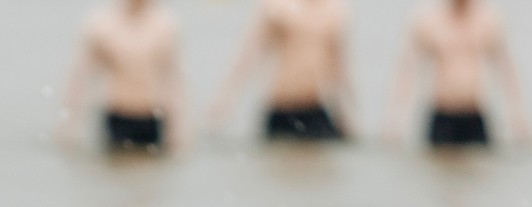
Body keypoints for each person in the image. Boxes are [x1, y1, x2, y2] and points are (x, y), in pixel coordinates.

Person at [204, 0, 358, 142]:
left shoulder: (335, 11)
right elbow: (249, 56)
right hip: (281, 109)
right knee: (278, 164)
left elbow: (339, 68)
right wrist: (224, 101)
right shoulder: (276, 7)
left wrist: (348, 115)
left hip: (316, 107)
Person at [385, 0, 530, 149]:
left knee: (481, 167)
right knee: (438, 168)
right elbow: (407, 71)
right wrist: (395, 120)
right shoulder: (428, 21)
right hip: (442, 117)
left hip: (475, 115)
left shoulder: (489, 19)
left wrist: (518, 118)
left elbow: (506, 70)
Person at [57, 0, 188, 154]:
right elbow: (80, 77)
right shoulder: (101, 24)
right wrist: (67, 128)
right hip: (118, 116)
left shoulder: (165, 25)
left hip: (153, 117)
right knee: (116, 171)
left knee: (153, 173)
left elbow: (174, 80)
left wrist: (179, 133)